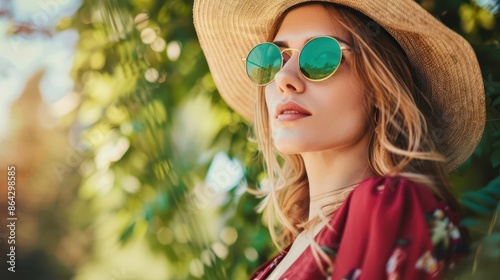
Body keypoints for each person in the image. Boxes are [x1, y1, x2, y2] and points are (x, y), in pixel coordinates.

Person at [193, 0, 485, 279]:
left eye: (321, 57)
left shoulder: (393, 208)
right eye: (272, 60)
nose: (283, 77)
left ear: (379, 87)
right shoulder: (279, 261)